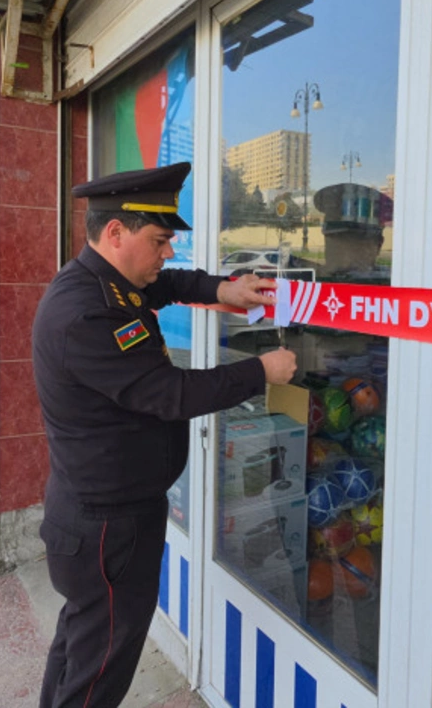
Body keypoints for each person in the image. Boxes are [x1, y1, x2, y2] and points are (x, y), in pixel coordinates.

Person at [31, 162, 297, 708]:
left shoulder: (105, 282)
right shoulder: (85, 313)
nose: (167, 253)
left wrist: (226, 287)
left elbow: (169, 284)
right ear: (115, 233)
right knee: (100, 664)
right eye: (159, 241)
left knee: (83, 646)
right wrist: (260, 371)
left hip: (103, 513)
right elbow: (169, 394)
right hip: (107, 527)